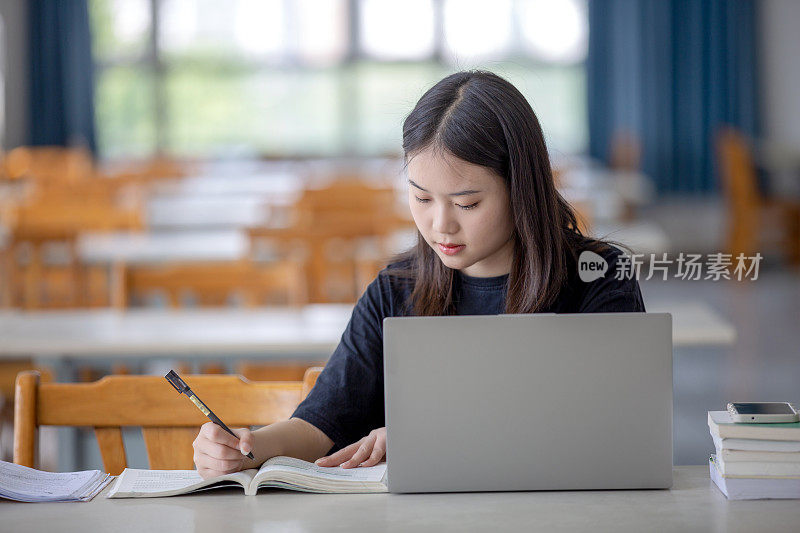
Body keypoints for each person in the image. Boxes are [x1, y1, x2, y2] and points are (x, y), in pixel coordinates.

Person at [192, 70, 645, 479]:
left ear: (521, 188)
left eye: (467, 203)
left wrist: (432, 438)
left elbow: (618, 426)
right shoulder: (396, 290)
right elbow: (321, 424)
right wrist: (246, 448)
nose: (440, 225)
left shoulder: (598, 278)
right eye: (422, 198)